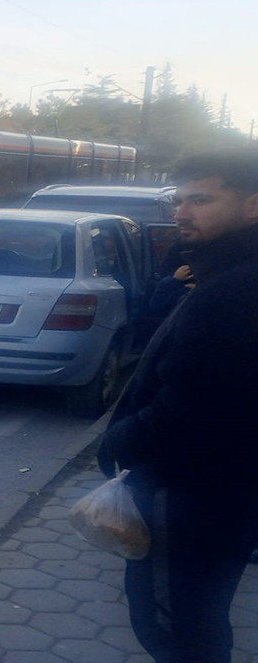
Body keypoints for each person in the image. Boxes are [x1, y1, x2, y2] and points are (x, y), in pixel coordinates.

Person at [97, 149, 258, 663]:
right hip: (224, 491)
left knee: (175, 627)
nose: (181, 213)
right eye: (179, 200)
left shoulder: (234, 291)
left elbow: (191, 412)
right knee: (196, 617)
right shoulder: (225, 274)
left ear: (253, 206)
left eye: (201, 200)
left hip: (191, 495)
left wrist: (119, 443)